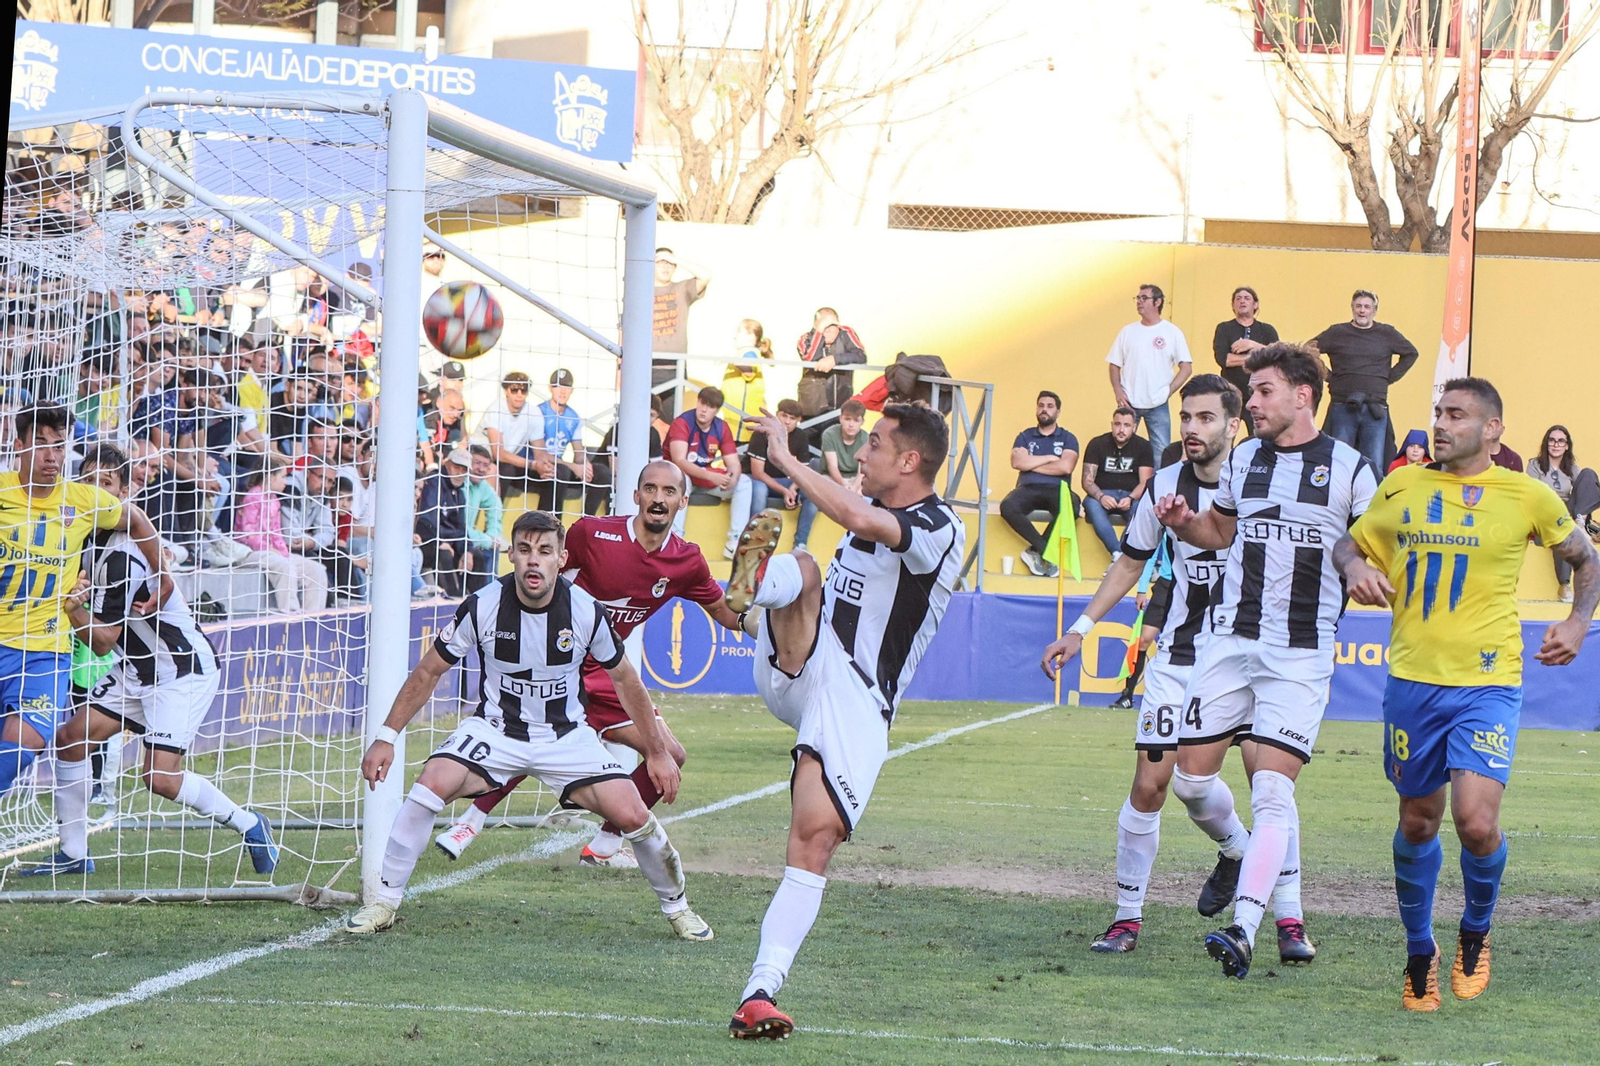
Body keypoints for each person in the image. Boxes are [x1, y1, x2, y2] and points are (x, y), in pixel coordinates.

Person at [1334, 378, 1598, 1011]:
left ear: (1493, 428)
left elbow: (1586, 558)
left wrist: (1577, 621)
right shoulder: (1403, 486)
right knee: (1417, 820)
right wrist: (1356, 566)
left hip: (1489, 680)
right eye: (1439, 413)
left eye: (1456, 415)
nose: (1441, 424)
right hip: (1413, 680)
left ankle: (1475, 932)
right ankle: (1418, 949)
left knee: (1476, 824)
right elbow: (1349, 542)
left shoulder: (1528, 494)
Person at [343, 510, 713, 941]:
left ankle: (679, 910)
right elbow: (428, 671)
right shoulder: (483, 605)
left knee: (633, 813)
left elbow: (627, 680)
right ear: (512, 557)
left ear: (562, 558)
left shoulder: (585, 610)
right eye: (524, 550)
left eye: (544, 551)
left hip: (566, 737)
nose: (534, 560)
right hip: (496, 730)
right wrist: (386, 737)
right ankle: (384, 903)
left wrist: (657, 752)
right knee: (428, 786)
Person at [1042, 375, 1309, 958]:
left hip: (1252, 656)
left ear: (1233, 425)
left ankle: (1289, 922)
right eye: (1186, 417)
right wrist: (1080, 629)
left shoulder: (1265, 479)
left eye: (1205, 418)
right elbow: (1130, 561)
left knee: (1269, 785)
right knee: (1154, 784)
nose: (1191, 428)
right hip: (1183, 655)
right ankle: (1133, 915)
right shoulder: (1164, 483)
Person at [721, 403, 965, 1039]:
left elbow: (858, 516)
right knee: (805, 567)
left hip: (857, 694)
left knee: (813, 840)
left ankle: (759, 991)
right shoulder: (866, 503)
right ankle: (750, 593)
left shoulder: (940, 526)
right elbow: (853, 515)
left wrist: (787, 458)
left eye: (875, 443)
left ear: (909, 461)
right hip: (806, 662)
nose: (863, 451)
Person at [1156, 342, 1378, 980]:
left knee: (1273, 790)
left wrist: (1360, 567)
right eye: (1250, 392)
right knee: (1190, 783)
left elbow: (1367, 546)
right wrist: (1184, 522)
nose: (1249, 403)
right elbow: (1220, 532)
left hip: (1300, 655)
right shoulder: (1244, 458)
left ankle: (1251, 927)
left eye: (1262, 391)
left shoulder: (1351, 469)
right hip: (1229, 643)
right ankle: (1241, 854)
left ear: (1302, 396)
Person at [433, 460, 747, 866]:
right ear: (636, 496)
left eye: (669, 491)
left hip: (607, 674)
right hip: (559, 665)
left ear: (683, 501)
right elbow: (536, 575)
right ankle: (466, 822)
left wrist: (762, 608)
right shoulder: (592, 534)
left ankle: (604, 846)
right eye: (650, 489)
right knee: (531, 736)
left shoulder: (686, 560)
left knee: (669, 754)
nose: (658, 498)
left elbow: (727, 614)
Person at [20, 444, 279, 878]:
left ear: (124, 492)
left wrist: (70, 608)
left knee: (158, 778)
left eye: (106, 483)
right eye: (87, 481)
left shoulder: (124, 556)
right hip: (137, 668)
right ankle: (73, 853)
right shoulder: (84, 538)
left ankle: (250, 824)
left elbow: (102, 642)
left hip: (179, 670)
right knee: (71, 738)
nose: (95, 490)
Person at [0, 405, 172, 800]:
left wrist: (163, 573)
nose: (51, 456)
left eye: (59, 446)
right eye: (41, 445)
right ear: (19, 446)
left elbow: (136, 519)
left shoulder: (82, 499)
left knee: (24, 745)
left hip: (44, 651)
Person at [1309, 290, 1419, 473]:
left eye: (1367, 307)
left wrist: (1387, 378)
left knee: (1373, 464)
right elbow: (1308, 350)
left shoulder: (1387, 333)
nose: (1362, 310)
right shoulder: (1337, 332)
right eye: (1358, 306)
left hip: (1375, 407)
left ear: (1374, 311)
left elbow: (1411, 353)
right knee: (1339, 461)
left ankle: (1371, 493)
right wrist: (1328, 375)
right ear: (1352, 308)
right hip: (1343, 404)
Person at [1106, 283, 1192, 459]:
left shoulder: (1172, 332)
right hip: (1129, 402)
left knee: (1161, 453)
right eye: (1138, 298)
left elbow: (1186, 367)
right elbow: (1114, 364)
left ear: (1157, 302)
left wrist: (1168, 391)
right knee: (1122, 450)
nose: (1139, 302)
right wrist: (1118, 391)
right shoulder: (1128, 331)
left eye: (1144, 298)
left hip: (1158, 403)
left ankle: (1157, 480)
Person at [1001, 390, 1079, 578]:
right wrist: (1050, 458)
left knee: (1073, 505)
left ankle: (1035, 551)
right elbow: (1017, 462)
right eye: (1041, 405)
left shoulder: (1068, 438)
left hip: (1057, 489)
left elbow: (1066, 467)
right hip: (1028, 488)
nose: (1044, 409)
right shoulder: (1025, 436)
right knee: (1007, 506)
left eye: (1050, 406)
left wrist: (1032, 463)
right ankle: (1046, 551)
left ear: (1058, 412)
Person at [232, 467, 330, 613]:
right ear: (270, 477)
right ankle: (290, 612)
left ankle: (314, 617)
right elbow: (249, 534)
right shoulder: (252, 497)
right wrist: (268, 548)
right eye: (283, 477)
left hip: (272, 552)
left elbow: (277, 532)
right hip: (249, 552)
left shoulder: (274, 500)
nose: (286, 481)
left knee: (316, 569)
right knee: (285, 567)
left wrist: (283, 552)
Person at [1526, 425, 1600, 603]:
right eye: (1552, 440)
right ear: (1546, 443)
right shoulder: (1535, 465)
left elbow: (1584, 491)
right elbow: (1533, 494)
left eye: (1561, 441)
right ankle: (1564, 584)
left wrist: (1576, 513)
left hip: (1568, 512)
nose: (1556, 444)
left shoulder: (1571, 468)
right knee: (1564, 528)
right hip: (1545, 515)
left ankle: (1580, 520)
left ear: (1567, 446)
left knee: (1589, 475)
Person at [664, 386, 742, 544]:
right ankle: (675, 539)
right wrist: (710, 476)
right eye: (702, 403)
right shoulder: (682, 422)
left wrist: (732, 478)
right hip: (677, 476)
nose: (704, 410)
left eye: (710, 406)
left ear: (717, 410)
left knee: (744, 483)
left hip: (703, 477)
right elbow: (679, 461)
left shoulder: (721, 426)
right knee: (682, 479)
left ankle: (736, 541)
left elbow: (733, 462)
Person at [529, 368, 610, 516]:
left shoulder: (573, 417)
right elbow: (540, 454)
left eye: (566, 387)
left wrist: (585, 465)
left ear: (572, 390)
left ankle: (587, 519)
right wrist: (572, 466)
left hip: (560, 466)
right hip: (537, 466)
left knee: (603, 472)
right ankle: (551, 522)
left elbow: (578, 452)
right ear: (550, 388)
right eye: (558, 386)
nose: (562, 391)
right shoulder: (539, 412)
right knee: (562, 471)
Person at [745, 399, 819, 552]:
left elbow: (803, 470)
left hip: (786, 481)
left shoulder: (801, 436)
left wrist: (792, 488)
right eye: (784, 416)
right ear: (777, 414)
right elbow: (758, 473)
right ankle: (754, 539)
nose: (787, 421)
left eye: (792, 418)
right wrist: (785, 491)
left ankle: (800, 544)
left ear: (799, 420)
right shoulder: (762, 433)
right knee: (759, 490)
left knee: (812, 492)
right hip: (760, 480)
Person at [1081, 408, 1155, 559]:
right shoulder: (1097, 443)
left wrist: (1131, 498)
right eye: (1117, 424)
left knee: (1141, 508)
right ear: (1112, 425)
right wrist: (1101, 497)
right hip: (1102, 494)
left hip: (1131, 495)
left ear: (1134, 426)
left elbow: (1145, 482)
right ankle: (1117, 552)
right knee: (1091, 504)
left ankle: (1122, 553)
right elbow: (1087, 481)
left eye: (1127, 425)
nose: (1121, 430)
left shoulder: (1143, 446)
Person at [1211, 286, 1278, 438]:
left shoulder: (1267, 330)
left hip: (1259, 395)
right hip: (1231, 393)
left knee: (1259, 437)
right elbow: (1224, 359)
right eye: (1238, 298)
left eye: (1247, 298)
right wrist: (1258, 356)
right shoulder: (1224, 328)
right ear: (1233, 305)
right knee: (1225, 436)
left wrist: (1252, 345)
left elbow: (1276, 355)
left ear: (1255, 304)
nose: (1242, 301)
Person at [652, 247, 712, 415]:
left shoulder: (682, 289)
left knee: (670, 420)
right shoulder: (641, 291)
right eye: (661, 262)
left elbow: (706, 276)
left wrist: (676, 259)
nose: (666, 267)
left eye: (670, 264)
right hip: (646, 364)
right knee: (642, 417)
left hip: (674, 366)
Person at [794, 307, 867, 426]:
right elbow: (809, 357)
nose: (827, 329)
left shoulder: (846, 333)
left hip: (839, 408)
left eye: (831, 325)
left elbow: (861, 356)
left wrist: (835, 359)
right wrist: (818, 333)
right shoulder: (805, 338)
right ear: (815, 325)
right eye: (823, 324)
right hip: (811, 409)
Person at [479, 371, 543, 500]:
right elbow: (498, 453)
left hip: (511, 460)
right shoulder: (496, 409)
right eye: (514, 390)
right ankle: (495, 509)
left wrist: (545, 466)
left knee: (558, 472)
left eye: (523, 390)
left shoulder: (534, 412)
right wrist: (533, 464)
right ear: (506, 391)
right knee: (506, 469)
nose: (519, 394)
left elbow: (540, 451)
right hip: (483, 458)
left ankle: (548, 513)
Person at [722, 319, 773, 444]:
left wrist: (730, 360)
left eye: (739, 332)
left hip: (743, 423)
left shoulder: (750, 352)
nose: (735, 336)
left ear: (751, 337)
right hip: (737, 419)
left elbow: (749, 370)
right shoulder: (743, 353)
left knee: (740, 453)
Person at [463, 445, 505, 596]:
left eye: (485, 465)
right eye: (477, 463)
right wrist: (487, 540)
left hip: (469, 538)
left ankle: (491, 596)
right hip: (452, 537)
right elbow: (458, 528)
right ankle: (484, 597)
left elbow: (496, 505)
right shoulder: (459, 482)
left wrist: (492, 534)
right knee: (487, 547)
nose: (481, 469)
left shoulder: (481, 485)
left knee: (493, 546)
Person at [819, 397, 868, 497]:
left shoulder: (866, 438)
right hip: (832, 478)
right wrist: (844, 486)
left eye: (856, 420)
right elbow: (832, 466)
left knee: (863, 492)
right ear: (841, 418)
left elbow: (862, 471)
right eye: (847, 419)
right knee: (826, 488)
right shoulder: (829, 434)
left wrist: (854, 488)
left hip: (855, 479)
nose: (851, 425)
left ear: (862, 422)